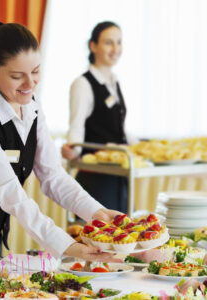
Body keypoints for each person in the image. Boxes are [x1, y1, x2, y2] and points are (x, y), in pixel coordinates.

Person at [0, 21, 122, 262]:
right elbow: (10, 193)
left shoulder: (31, 107)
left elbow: (53, 176)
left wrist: (98, 213)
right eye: (17, 76)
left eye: (35, 71)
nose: (30, 84)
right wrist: (64, 245)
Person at [62, 21, 128, 213]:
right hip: (96, 178)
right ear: (93, 46)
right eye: (109, 42)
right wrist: (73, 149)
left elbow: (117, 129)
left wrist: (141, 145)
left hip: (117, 174)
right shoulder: (82, 84)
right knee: (97, 238)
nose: (115, 49)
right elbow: (76, 125)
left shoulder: (114, 82)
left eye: (119, 42)